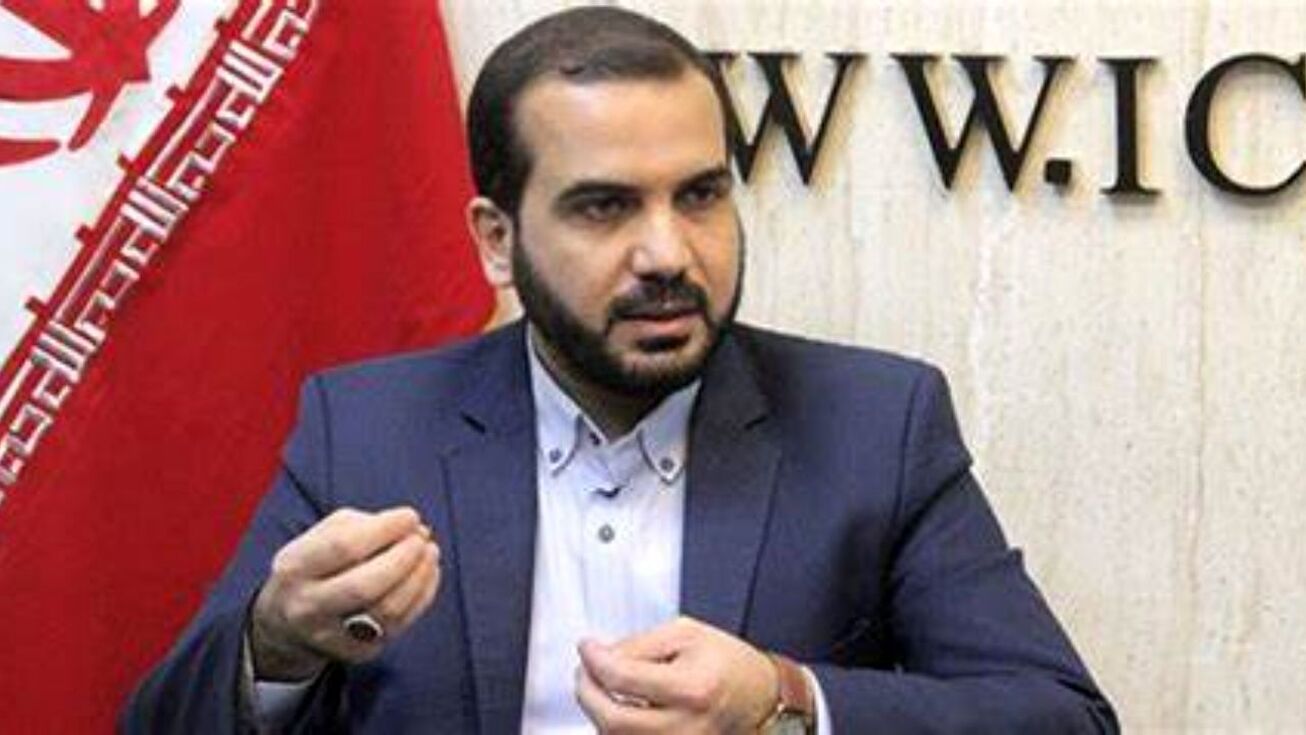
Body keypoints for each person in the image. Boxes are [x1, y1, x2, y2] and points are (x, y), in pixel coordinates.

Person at [123, 6, 1118, 733]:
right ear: (497, 240)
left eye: (700, 195)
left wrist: (782, 700)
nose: (668, 253)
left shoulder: (874, 424)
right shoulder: (368, 429)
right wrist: (275, 642)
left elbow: (1060, 716)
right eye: (604, 207)